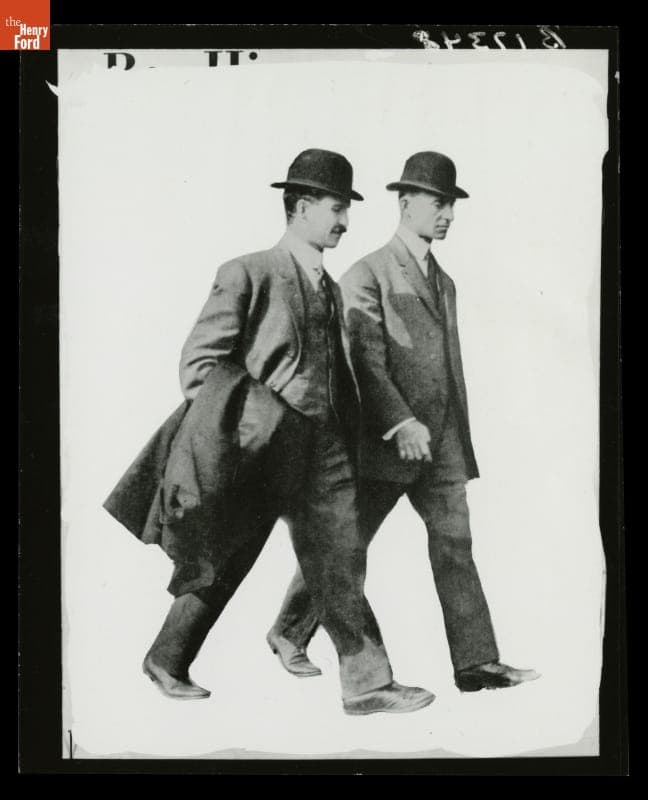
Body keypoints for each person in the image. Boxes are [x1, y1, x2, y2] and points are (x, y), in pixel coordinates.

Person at [138, 149, 436, 715]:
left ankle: (368, 684)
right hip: (260, 450)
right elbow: (199, 367)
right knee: (226, 557)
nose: (345, 222)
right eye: (336, 208)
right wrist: (257, 423)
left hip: (325, 453)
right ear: (300, 208)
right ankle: (166, 658)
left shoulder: (329, 285)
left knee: (340, 560)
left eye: (346, 210)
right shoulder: (247, 271)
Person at [269, 152, 539, 693]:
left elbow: (446, 369)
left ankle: (476, 663)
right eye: (440, 203)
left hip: (443, 448)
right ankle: (288, 630)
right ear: (407, 202)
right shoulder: (364, 274)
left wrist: (456, 439)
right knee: (347, 548)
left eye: (452, 205)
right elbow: (363, 360)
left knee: (455, 547)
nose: (448, 215)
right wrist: (399, 422)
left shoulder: (447, 282)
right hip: (384, 445)